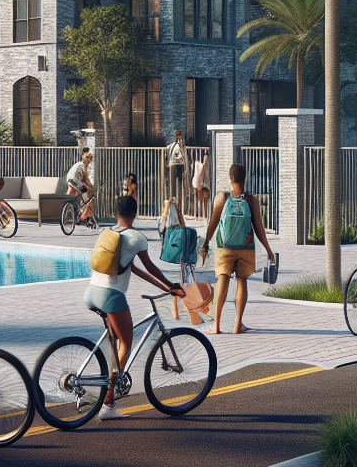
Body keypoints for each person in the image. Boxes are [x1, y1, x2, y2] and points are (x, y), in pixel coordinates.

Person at [83, 194, 185, 420]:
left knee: (117, 342)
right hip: (111, 296)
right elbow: (150, 266)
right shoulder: (137, 237)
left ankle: (105, 386)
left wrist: (162, 286)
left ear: (116, 213)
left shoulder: (109, 233)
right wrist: (171, 285)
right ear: (135, 213)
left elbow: (132, 269)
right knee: (127, 342)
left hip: (91, 293)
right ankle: (108, 403)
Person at [200, 163, 276, 335]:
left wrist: (206, 242)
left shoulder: (222, 197)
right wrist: (268, 250)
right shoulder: (251, 200)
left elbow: (213, 222)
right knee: (242, 281)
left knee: (223, 280)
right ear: (245, 178)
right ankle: (237, 325)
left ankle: (217, 325)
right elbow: (258, 228)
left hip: (224, 246)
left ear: (230, 178)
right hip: (246, 246)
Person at [66, 149, 94, 221]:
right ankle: (83, 215)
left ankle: (67, 209)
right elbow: (85, 178)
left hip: (69, 179)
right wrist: (90, 186)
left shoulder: (78, 164)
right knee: (86, 193)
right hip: (76, 180)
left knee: (74, 191)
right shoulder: (84, 165)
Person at [166, 130, 187, 202]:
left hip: (179, 164)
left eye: (179, 135)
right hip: (174, 164)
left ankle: (179, 199)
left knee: (179, 183)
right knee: (172, 183)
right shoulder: (173, 145)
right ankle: (172, 199)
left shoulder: (180, 144)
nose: (178, 136)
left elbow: (183, 151)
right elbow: (167, 150)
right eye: (177, 135)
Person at [192, 153, 209, 218]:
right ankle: (202, 214)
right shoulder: (200, 166)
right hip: (201, 183)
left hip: (203, 183)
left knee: (204, 199)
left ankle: (203, 214)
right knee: (201, 199)